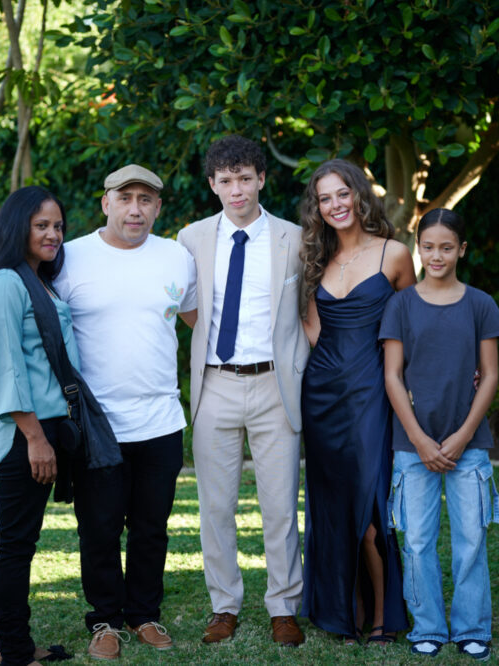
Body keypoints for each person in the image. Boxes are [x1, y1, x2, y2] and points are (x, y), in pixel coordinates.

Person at [52, 164, 197, 660]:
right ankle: (105, 621)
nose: (136, 209)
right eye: (125, 198)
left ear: (158, 207)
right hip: (96, 424)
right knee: (99, 528)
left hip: (161, 420)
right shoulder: (70, 258)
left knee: (151, 527)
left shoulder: (176, 257)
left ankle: (144, 614)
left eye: (146, 200)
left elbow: (197, 321)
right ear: (106, 203)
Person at [176, 135, 310, 647]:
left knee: (280, 505)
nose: (237, 189)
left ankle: (283, 607)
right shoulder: (191, 238)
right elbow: (189, 307)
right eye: (226, 180)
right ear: (212, 184)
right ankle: (224, 605)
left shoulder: (293, 238)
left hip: (275, 384)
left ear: (261, 180)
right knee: (216, 507)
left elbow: (309, 309)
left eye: (245, 179)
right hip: (215, 384)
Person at [379, 208, 499, 661]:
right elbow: (392, 376)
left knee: (471, 539)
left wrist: (464, 434)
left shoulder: (480, 304)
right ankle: (429, 626)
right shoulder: (400, 306)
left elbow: (490, 376)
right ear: (418, 249)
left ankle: (472, 627)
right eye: (429, 247)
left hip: (467, 446)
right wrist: (418, 438)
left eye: (447, 248)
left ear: (462, 250)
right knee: (417, 540)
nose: (437, 256)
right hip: (412, 445)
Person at [297, 159, 415, 645]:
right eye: (324, 198)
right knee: (334, 508)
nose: (335, 205)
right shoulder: (314, 260)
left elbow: (415, 322)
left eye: (342, 193)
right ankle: (349, 611)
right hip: (322, 397)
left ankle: (385, 611)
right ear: (317, 208)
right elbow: (312, 330)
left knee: (370, 510)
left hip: (373, 394)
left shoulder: (395, 254)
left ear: (359, 195)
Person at [0, 186, 85, 666]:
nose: (53, 234)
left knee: (25, 541)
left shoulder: (36, 280)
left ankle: (18, 642)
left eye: (58, 226)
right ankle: (14, 650)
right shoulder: (4, 283)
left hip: (49, 425)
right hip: (26, 432)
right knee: (15, 545)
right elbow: (6, 367)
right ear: (18, 228)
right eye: (41, 226)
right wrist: (35, 438)